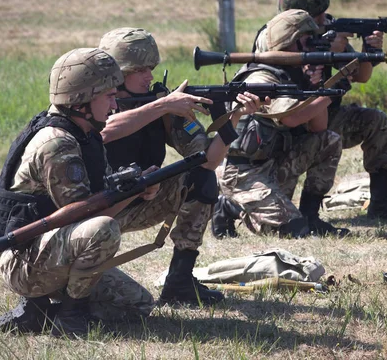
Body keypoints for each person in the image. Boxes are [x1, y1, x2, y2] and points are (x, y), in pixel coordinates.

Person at [0, 48, 161, 337]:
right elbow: (86, 215)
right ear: (82, 101)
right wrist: (134, 191)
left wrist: (138, 187)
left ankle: (38, 313)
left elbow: (99, 194)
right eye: (108, 96)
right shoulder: (57, 143)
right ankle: (69, 315)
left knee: (137, 306)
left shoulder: (85, 133)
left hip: (51, 250)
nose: (115, 105)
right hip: (26, 261)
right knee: (103, 229)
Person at [98, 28, 264, 305]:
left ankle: (180, 281)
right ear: (117, 72)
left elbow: (208, 160)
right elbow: (104, 131)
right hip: (91, 212)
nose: (149, 76)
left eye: (151, 68)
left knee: (200, 177)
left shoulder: (161, 105)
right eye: (139, 69)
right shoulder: (92, 101)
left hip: (137, 203)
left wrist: (232, 117)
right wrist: (162, 106)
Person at [244, 0, 387, 224]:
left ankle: (380, 202)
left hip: (322, 115)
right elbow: (289, 92)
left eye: (323, 14)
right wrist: (327, 54)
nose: (323, 20)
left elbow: (362, 76)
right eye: (317, 16)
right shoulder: (273, 36)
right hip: (287, 126)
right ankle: (236, 207)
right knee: (275, 209)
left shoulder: (329, 31)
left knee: (375, 122)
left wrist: (367, 52)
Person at [213, 9, 348, 239]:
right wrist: (330, 93)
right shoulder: (261, 78)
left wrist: (316, 88)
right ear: (289, 43)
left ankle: (310, 216)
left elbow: (319, 129)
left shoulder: (294, 73)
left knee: (329, 141)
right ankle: (229, 206)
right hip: (243, 172)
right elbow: (290, 117)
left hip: (272, 164)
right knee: (292, 231)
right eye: (306, 42)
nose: (311, 48)